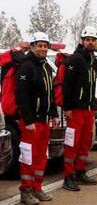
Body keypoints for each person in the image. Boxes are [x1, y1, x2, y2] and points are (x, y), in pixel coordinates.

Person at [16, 32, 58, 204]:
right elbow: (22, 96)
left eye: (45, 45)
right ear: (32, 46)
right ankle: (25, 191)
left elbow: (50, 93)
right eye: (39, 45)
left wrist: (54, 114)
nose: (42, 48)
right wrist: (28, 120)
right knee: (28, 156)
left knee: (41, 155)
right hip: (30, 122)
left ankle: (37, 188)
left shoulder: (46, 67)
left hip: (44, 119)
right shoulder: (26, 67)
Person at [63, 26, 97, 191]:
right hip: (75, 108)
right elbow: (67, 84)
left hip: (88, 108)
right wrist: (67, 106)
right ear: (82, 41)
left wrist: (93, 102)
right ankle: (68, 177)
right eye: (88, 40)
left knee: (85, 142)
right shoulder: (76, 58)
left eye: (93, 40)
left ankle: (80, 171)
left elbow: (91, 85)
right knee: (72, 143)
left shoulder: (93, 60)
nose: (90, 42)